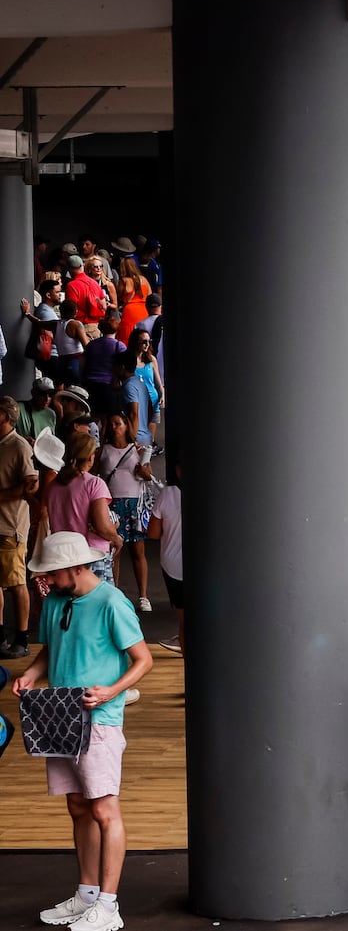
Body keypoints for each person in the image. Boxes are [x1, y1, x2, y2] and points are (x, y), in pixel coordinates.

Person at [13, 531, 152, 931]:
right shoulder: (55, 600)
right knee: (77, 806)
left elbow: (143, 660)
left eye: (52, 573)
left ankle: (108, 907)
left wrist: (112, 691)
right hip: (60, 716)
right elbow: (50, 649)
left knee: (104, 808)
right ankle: (87, 895)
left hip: (100, 720)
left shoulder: (111, 601)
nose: (46, 581)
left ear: (76, 566)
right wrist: (31, 675)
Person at [95, 412, 154, 611]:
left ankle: (143, 596)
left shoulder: (137, 449)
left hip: (134, 504)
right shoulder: (102, 450)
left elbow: (148, 475)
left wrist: (145, 472)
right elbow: (94, 475)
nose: (114, 427)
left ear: (126, 426)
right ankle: (115, 592)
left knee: (138, 551)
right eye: (111, 424)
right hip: (111, 504)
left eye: (118, 423)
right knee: (114, 552)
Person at [43, 432, 120, 585]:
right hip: (90, 554)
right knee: (96, 604)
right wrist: (117, 539)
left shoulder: (53, 486)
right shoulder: (94, 484)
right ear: (91, 456)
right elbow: (102, 526)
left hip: (63, 557)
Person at [0, 397, 41, 659]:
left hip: (11, 526)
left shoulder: (18, 446)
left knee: (16, 583)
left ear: (6, 417)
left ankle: (22, 637)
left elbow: (30, 484)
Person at [144, 459, 184, 656]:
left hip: (173, 566)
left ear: (178, 470)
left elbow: (152, 533)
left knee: (184, 616)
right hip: (207, 566)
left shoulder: (168, 494)